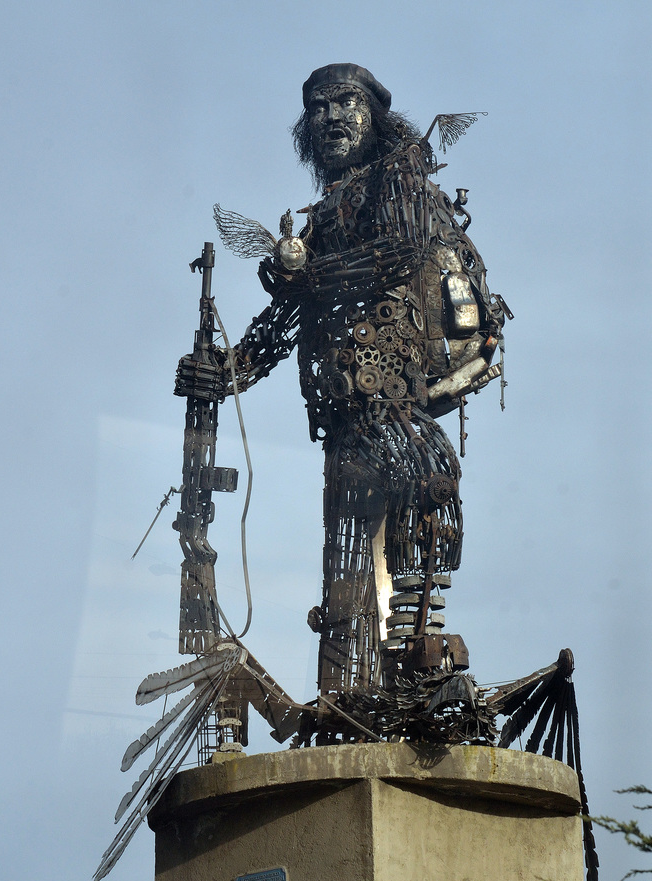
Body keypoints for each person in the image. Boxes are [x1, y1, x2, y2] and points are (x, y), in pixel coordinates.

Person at [182, 64, 505, 733]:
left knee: (420, 507)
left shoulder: (398, 179)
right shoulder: (327, 215)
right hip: (345, 417)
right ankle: (347, 703)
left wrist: (307, 272)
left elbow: (399, 251)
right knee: (346, 572)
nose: (332, 117)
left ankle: (417, 671)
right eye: (318, 107)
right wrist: (227, 371)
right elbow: (288, 318)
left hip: (393, 399)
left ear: (374, 114)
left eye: (347, 103)